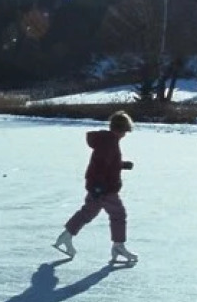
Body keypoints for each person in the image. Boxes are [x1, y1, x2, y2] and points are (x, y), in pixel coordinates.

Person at [53, 110, 137, 265]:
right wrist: (99, 187)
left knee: (88, 212)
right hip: (105, 188)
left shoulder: (107, 140)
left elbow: (106, 163)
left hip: (98, 186)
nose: (126, 134)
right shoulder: (110, 143)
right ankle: (118, 246)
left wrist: (121, 164)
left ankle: (66, 235)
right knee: (118, 214)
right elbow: (100, 165)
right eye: (126, 130)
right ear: (122, 129)